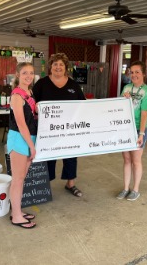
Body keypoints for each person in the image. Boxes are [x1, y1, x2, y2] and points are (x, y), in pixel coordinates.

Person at [32, 53, 85, 197]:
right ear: (51, 66)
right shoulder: (42, 84)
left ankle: (70, 184)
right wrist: (35, 108)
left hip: (69, 129)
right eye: (55, 64)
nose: (58, 67)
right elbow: (31, 101)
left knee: (71, 155)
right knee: (48, 156)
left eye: (61, 64)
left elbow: (83, 104)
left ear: (65, 67)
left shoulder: (73, 85)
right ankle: (45, 185)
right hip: (47, 129)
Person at [117, 61, 147, 201]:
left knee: (136, 160)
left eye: (137, 72)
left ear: (143, 74)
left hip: (139, 128)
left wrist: (141, 134)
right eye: (132, 72)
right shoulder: (126, 87)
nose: (134, 75)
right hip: (126, 127)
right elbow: (119, 106)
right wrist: (123, 99)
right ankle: (126, 188)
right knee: (126, 159)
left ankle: (135, 189)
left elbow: (144, 114)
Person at [7, 62, 37, 229]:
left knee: (21, 178)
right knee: (17, 179)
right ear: (18, 75)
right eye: (25, 73)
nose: (28, 76)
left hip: (28, 138)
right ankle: (16, 216)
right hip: (20, 139)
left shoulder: (29, 92)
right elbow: (21, 123)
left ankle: (17, 210)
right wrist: (32, 146)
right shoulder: (17, 96)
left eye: (31, 73)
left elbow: (31, 114)